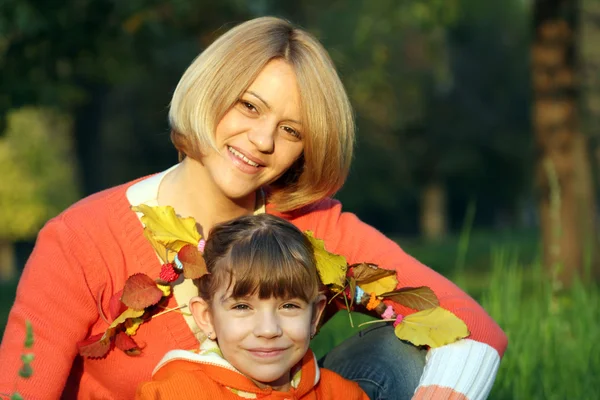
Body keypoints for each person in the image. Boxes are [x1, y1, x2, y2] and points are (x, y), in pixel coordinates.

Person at [0, 16, 507, 400]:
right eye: (249, 106)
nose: (262, 140)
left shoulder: (312, 229)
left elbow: (471, 326)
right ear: (210, 92)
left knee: (398, 349)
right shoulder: (81, 239)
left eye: (292, 131)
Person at [136, 213, 369, 399]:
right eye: (242, 307)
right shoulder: (173, 394)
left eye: (288, 306)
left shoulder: (339, 393)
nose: (268, 330)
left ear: (315, 315)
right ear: (207, 317)